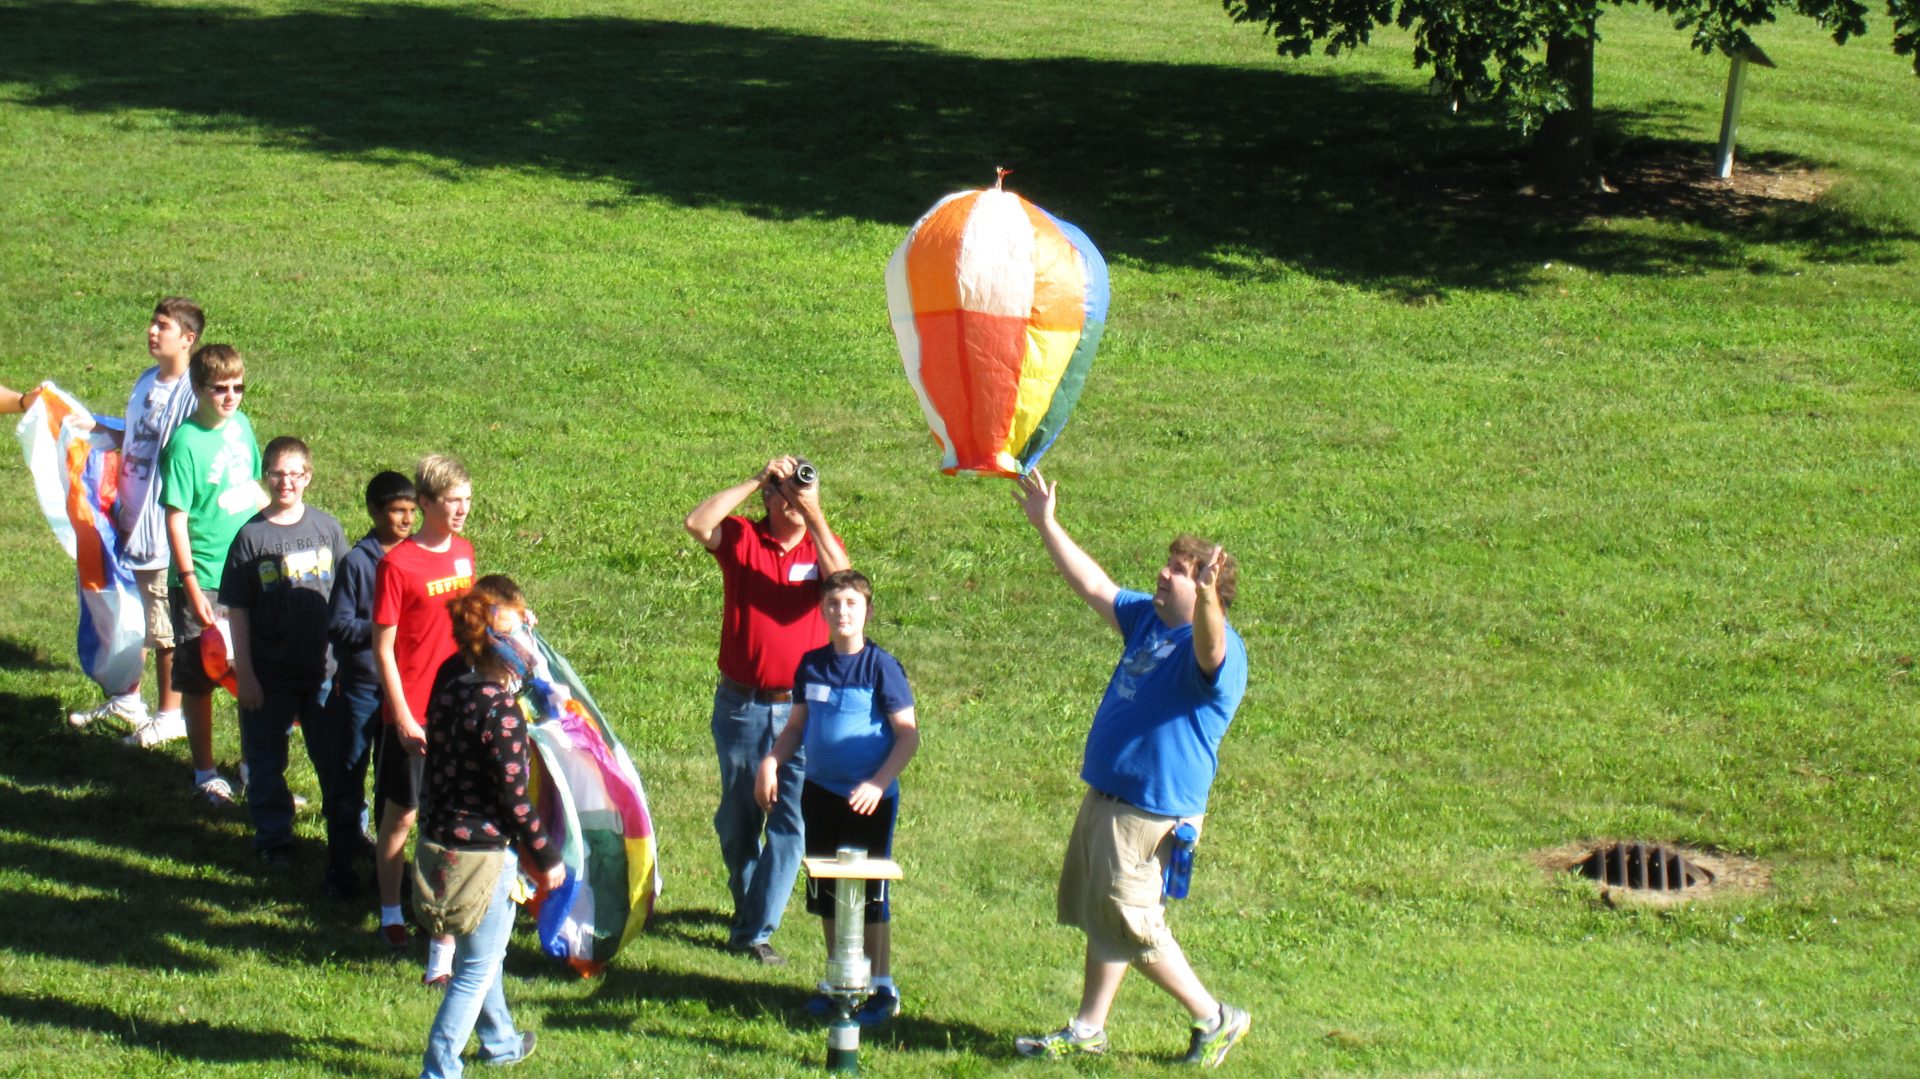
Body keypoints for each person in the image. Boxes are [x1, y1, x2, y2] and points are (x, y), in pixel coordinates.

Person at [1010, 470, 1252, 1068]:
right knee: (1104, 913)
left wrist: (1211, 599)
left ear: (1205, 590)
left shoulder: (1217, 649)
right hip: (1111, 796)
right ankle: (1089, 1027)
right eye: (1169, 566)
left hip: (1153, 808)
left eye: (1178, 571)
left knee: (1134, 921)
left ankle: (1214, 1017)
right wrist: (1047, 524)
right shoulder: (1148, 620)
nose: (1163, 575)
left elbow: (1211, 649)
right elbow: (1094, 584)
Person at [684, 455, 849, 965]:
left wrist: (815, 512)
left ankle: (754, 930)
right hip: (741, 706)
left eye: (801, 490)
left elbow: (844, 583)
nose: (794, 500)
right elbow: (697, 523)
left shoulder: (819, 547)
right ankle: (751, 905)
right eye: (785, 492)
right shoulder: (742, 539)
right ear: (769, 500)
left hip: (801, 712)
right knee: (738, 821)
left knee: (790, 822)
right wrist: (758, 476)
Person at [755, 569, 918, 1024]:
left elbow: (908, 737)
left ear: (866, 610)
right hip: (819, 792)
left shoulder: (881, 666)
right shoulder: (811, 664)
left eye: (851, 603)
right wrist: (771, 762)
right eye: (833, 603)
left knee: (868, 894)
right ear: (822, 610)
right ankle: (838, 979)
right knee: (826, 891)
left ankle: (880, 985)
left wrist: (878, 783)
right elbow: (796, 727)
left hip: (869, 799)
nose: (842, 611)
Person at [417, 575, 561, 1078]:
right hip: (483, 854)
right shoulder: (499, 709)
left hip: (437, 840)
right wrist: (546, 858)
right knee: (474, 968)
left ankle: (500, 1042)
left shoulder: (451, 678)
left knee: (483, 952)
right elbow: (516, 802)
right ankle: (440, 1068)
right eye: (522, 631)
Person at [66, 298, 204, 745]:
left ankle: (169, 715)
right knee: (133, 615)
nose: (151, 331)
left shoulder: (191, 392)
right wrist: (99, 430)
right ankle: (128, 697)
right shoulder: (147, 381)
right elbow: (138, 435)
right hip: (128, 520)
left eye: (163, 326)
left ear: (188, 338)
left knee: (163, 625)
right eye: (152, 323)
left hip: (159, 529)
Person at [222, 436, 350, 866]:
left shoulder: (328, 529)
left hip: (325, 671)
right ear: (266, 476)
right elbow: (237, 610)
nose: (286, 482)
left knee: (336, 761)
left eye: (295, 473)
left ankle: (349, 835)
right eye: (277, 472)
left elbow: (347, 597)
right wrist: (246, 674)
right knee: (265, 761)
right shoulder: (250, 538)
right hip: (269, 672)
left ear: (308, 478)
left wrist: (347, 663)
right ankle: (273, 839)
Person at [373, 454, 475, 984]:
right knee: (403, 817)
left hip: (456, 711)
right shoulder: (398, 564)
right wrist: (405, 716)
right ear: (428, 502)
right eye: (452, 501)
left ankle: (443, 944)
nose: (461, 510)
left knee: (449, 822)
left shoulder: (464, 555)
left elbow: (467, 628)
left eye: (467, 500)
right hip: (410, 715)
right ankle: (391, 911)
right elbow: (383, 648)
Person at [158, 343, 261, 807]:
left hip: (246, 571)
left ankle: (252, 767)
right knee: (200, 673)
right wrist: (191, 581)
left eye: (238, 387)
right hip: (202, 574)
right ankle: (204, 772)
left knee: (246, 670)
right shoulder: (184, 443)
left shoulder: (242, 426)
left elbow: (255, 489)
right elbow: (176, 518)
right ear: (198, 389)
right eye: (220, 389)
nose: (230, 397)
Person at [315, 470, 417, 898]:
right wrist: (383, 630)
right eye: (397, 511)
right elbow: (337, 625)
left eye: (413, 511)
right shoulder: (358, 563)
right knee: (349, 778)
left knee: (391, 784)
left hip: (403, 691)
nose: (407, 520)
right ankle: (339, 868)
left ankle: (385, 870)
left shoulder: (417, 557)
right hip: (361, 689)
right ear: (375, 512)